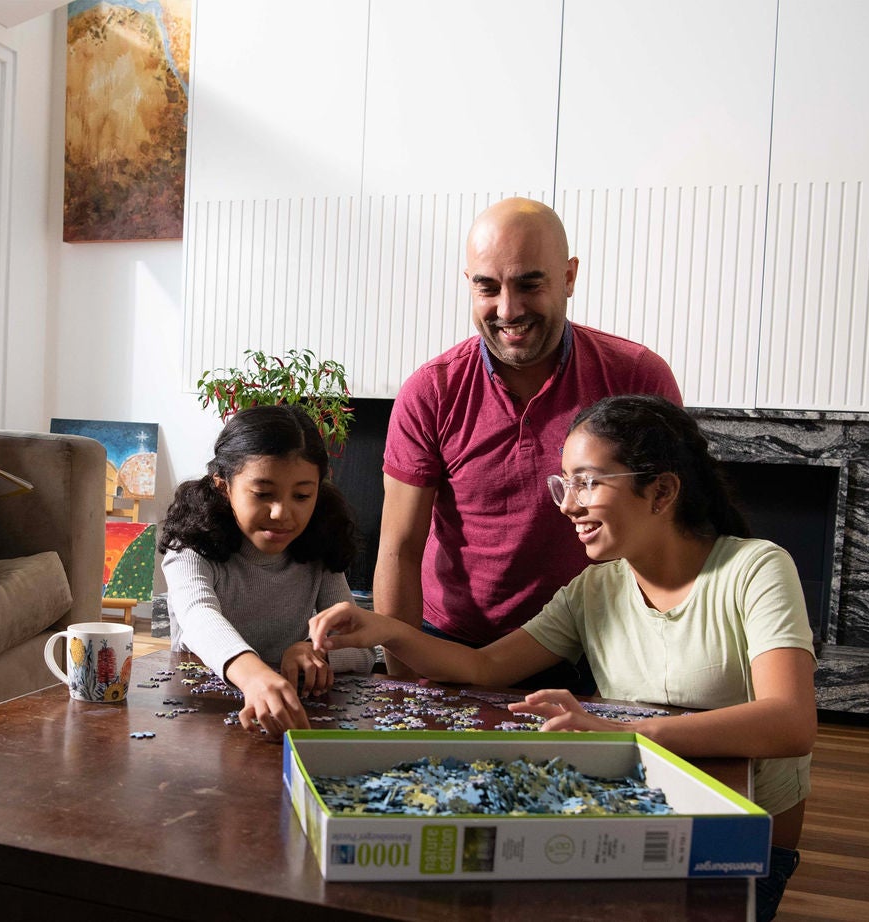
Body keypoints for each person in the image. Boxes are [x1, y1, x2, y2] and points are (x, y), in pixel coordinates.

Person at [313, 395, 815, 920]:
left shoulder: (755, 569)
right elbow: (483, 668)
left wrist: (626, 735)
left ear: (662, 490)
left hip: (740, 846)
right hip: (644, 816)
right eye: (565, 482)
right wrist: (385, 630)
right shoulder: (593, 588)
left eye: (588, 482)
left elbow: (791, 722)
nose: (567, 505)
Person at [376, 197, 682, 687]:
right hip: (452, 639)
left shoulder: (636, 376)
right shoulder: (431, 390)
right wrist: (402, 688)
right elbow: (400, 546)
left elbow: (671, 529)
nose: (508, 309)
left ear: (568, 277)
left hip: (595, 642)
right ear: (469, 285)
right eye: (488, 287)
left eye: (529, 284)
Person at [158, 405, 375, 735]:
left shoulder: (319, 544)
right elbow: (199, 617)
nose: (281, 513)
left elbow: (362, 649)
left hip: (291, 714)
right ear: (223, 486)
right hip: (201, 713)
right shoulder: (191, 546)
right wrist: (255, 676)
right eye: (262, 494)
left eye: (302, 495)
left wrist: (314, 652)